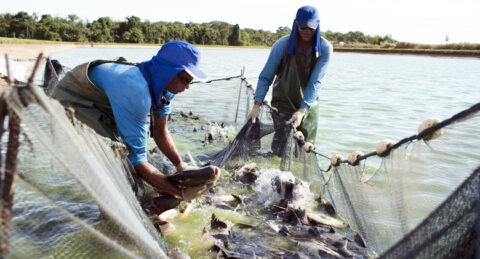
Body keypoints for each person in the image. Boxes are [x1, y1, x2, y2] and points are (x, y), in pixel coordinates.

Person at [52, 41, 208, 199]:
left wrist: (181, 165)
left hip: (105, 101)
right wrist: (181, 193)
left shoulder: (166, 88)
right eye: (185, 80)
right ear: (168, 72)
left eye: (191, 81)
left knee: (126, 153)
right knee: (113, 159)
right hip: (73, 100)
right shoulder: (136, 94)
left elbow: (160, 131)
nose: (187, 87)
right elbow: (138, 161)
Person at [246, 5, 332, 156]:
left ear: (317, 25)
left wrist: (302, 110)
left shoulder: (325, 48)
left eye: (311, 28)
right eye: (303, 26)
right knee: (280, 151)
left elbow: (315, 82)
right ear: (296, 24)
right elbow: (266, 76)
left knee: (304, 151)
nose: (307, 31)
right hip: (282, 104)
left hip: (309, 105)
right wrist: (257, 105)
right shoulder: (282, 45)